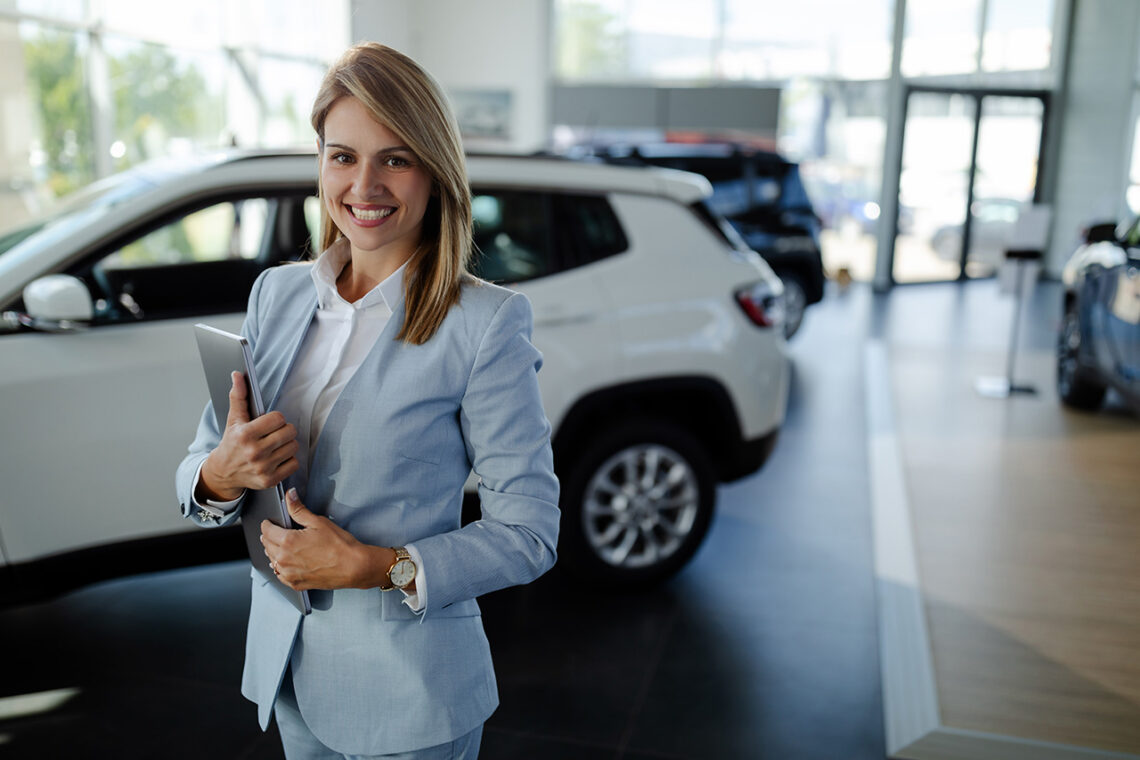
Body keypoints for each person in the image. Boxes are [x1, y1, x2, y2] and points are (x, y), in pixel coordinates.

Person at [174, 42, 559, 759]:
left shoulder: (485, 324)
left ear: (435, 169)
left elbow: (531, 532)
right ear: (320, 162)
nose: (366, 184)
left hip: (411, 696)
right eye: (344, 156)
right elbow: (200, 467)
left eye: (397, 157)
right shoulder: (277, 294)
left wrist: (379, 567)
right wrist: (221, 473)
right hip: (287, 669)